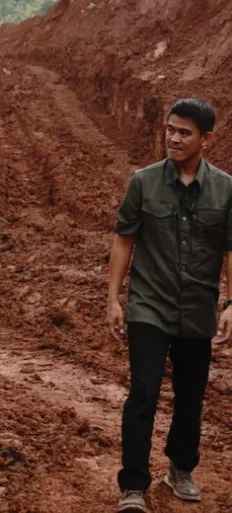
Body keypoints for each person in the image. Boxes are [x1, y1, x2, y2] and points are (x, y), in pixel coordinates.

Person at [108, 98, 232, 512]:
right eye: (170, 129)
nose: (173, 138)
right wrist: (113, 298)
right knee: (143, 390)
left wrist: (231, 301)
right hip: (149, 305)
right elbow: (124, 238)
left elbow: (231, 250)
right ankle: (133, 486)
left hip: (197, 308)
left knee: (191, 394)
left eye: (184, 132)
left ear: (206, 139)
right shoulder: (142, 182)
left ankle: (180, 467)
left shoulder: (226, 188)